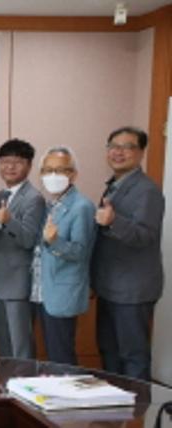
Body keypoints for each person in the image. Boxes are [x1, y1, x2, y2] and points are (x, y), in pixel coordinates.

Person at [92, 127, 165, 381]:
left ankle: (138, 405)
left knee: (133, 356)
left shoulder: (147, 191)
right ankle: (114, 403)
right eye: (113, 146)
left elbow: (145, 235)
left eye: (127, 147)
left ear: (141, 152)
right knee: (109, 352)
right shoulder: (114, 186)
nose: (118, 152)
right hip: (108, 286)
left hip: (133, 290)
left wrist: (114, 221)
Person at [33, 146, 96, 365]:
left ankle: (69, 387)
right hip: (44, 291)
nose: (53, 175)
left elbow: (80, 251)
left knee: (61, 356)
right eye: (47, 170)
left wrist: (54, 242)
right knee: (53, 353)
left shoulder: (82, 206)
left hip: (63, 292)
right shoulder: (51, 205)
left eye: (60, 170)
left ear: (73, 174)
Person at [0, 139, 45, 359]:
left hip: (18, 283)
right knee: (3, 342)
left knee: (20, 345)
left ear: (29, 166)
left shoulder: (34, 198)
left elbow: (29, 239)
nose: (10, 167)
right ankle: (7, 379)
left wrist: (9, 221)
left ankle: (24, 379)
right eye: (4, 161)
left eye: (17, 162)